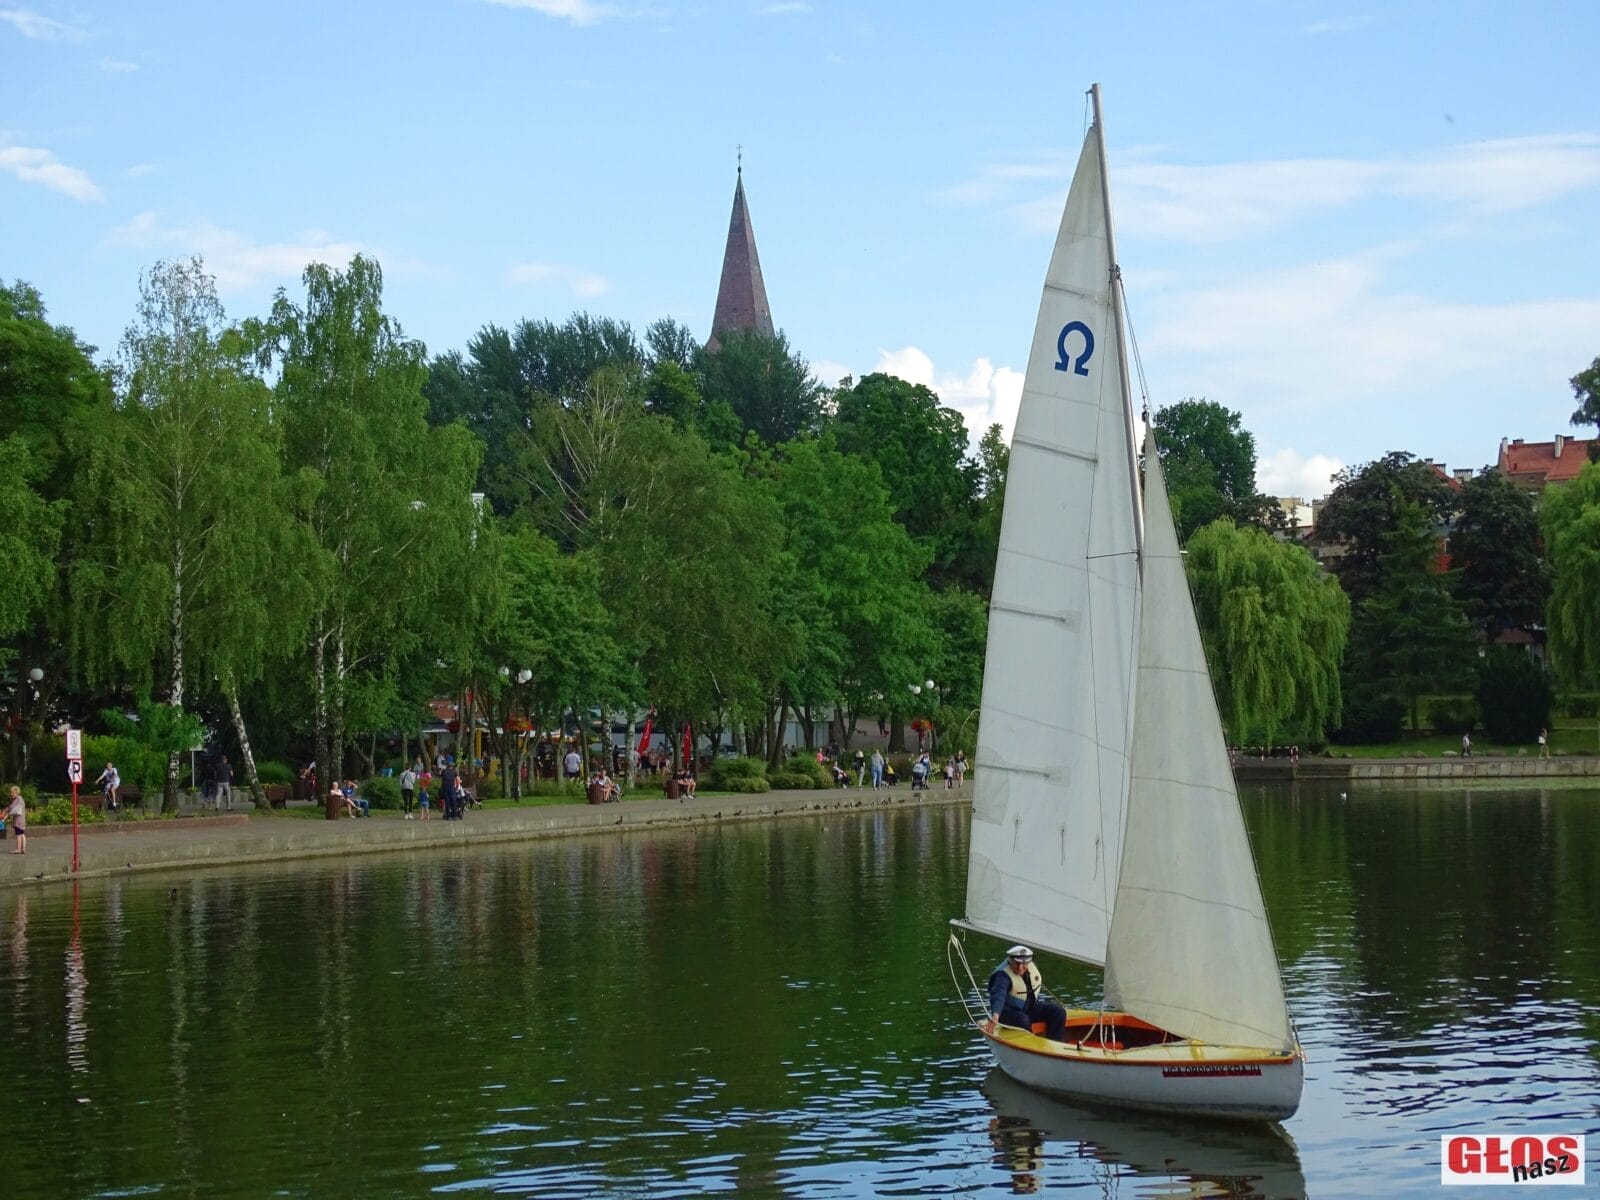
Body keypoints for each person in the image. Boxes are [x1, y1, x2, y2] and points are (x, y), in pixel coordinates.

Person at [984, 946, 1065, 1041]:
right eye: (1017, 963)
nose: (1020, 967)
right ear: (1010, 960)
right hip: (1007, 1014)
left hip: (1028, 1008)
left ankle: (1055, 1044)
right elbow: (998, 996)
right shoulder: (1002, 976)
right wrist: (995, 1015)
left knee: (1058, 1012)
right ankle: (1033, 1047)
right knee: (1023, 1019)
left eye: (1023, 964)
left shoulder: (1030, 967)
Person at [6, 785, 24, 855]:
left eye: (12, 793)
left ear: (17, 793)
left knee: (18, 835)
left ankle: (18, 849)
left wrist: (7, 811)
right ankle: (22, 849)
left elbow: (12, 807)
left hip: (18, 820)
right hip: (20, 820)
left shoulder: (18, 799)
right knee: (21, 834)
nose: (11, 794)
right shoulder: (20, 799)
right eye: (11, 793)